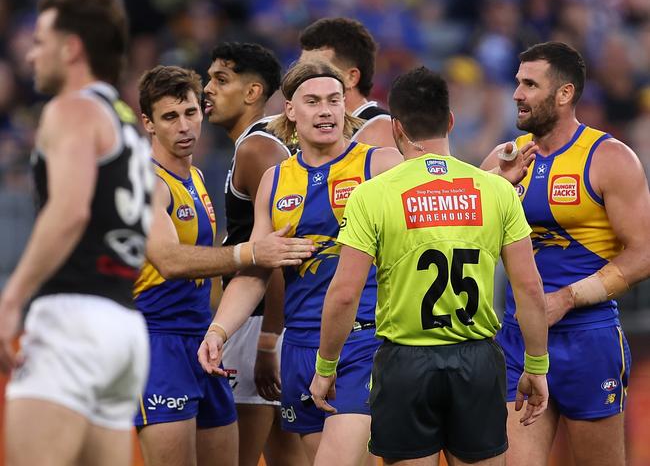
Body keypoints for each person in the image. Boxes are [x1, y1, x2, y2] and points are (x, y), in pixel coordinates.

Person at [310, 66, 550, 466]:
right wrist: (537, 366)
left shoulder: (372, 195)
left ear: (396, 128)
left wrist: (326, 366)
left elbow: (345, 293)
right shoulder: (496, 190)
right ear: (451, 120)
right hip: (476, 359)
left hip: (405, 362)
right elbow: (529, 289)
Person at [198, 60, 403, 466]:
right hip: (299, 349)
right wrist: (219, 330)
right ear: (290, 110)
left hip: (365, 342)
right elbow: (257, 269)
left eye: (333, 101)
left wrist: (496, 178)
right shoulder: (275, 180)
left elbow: (442, 200)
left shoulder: (380, 165)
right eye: (312, 101)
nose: (325, 111)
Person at [0, 0, 153, 466]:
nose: (30, 52)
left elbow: (70, 211)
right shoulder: (128, 123)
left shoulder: (71, 109)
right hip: (124, 327)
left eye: (41, 40)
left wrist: (11, 299)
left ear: (71, 48)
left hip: (72, 319)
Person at [134, 65, 314, 466]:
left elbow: (204, 270)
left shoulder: (195, 176)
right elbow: (168, 259)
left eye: (191, 113)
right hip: (158, 342)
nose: (184, 127)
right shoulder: (146, 181)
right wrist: (249, 253)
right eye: (169, 117)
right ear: (147, 122)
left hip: (203, 341)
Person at [481, 41, 650, 466]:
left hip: (587, 337)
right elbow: (462, 238)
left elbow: (644, 253)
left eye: (530, 84)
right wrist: (496, 183)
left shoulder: (608, 157)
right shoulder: (505, 158)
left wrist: (569, 297)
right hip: (519, 337)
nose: (516, 93)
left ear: (564, 93)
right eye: (517, 83)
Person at [203, 42, 308, 466]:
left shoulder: (257, 148)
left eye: (220, 80)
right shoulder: (255, 145)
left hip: (260, 322)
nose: (207, 89)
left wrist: (269, 340)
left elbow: (277, 249)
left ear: (252, 92)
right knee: (286, 454)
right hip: (265, 319)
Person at [299, 17, 394, 148]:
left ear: (351, 77)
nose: (302, 78)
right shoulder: (309, 130)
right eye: (301, 69)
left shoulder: (382, 130)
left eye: (315, 70)